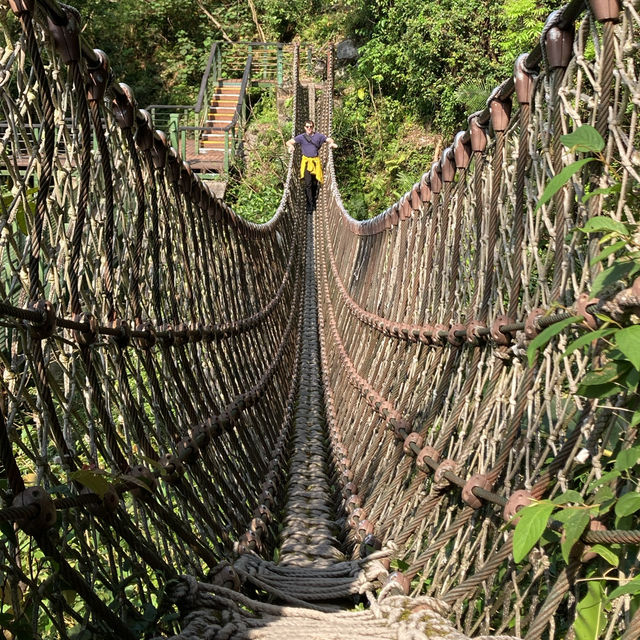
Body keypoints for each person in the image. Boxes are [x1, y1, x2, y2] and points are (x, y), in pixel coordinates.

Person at [286, 120, 337, 214]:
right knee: (308, 183)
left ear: (313, 127)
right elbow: (289, 142)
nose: (309, 128)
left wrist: (331, 143)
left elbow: (329, 139)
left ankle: (312, 198)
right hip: (306, 163)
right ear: (304, 127)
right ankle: (310, 204)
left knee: (315, 183)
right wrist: (291, 147)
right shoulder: (301, 137)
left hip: (315, 162)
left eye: (311, 126)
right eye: (307, 127)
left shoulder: (319, 136)